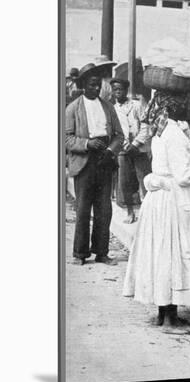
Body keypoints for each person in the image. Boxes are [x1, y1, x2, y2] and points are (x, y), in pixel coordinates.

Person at [122, 97, 190, 327]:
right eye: (185, 104)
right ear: (175, 107)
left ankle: (164, 312)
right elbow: (182, 175)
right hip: (172, 200)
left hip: (160, 199)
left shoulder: (162, 131)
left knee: (162, 253)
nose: (188, 107)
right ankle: (170, 318)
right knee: (172, 254)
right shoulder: (173, 135)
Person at [66, 62, 124, 265]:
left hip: (104, 160)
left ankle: (101, 252)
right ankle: (80, 254)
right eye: (92, 85)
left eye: (98, 85)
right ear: (83, 85)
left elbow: (119, 135)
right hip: (84, 162)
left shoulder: (107, 106)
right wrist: (86, 143)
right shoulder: (73, 108)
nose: (96, 88)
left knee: (104, 209)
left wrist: (110, 150)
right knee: (83, 209)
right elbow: (66, 139)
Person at [111, 78, 152, 224]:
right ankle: (130, 212)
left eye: (120, 89)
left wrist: (135, 144)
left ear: (126, 90)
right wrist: (122, 145)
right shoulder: (113, 109)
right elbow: (113, 131)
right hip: (123, 150)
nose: (117, 92)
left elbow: (145, 126)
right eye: (115, 89)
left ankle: (149, 213)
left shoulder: (136, 105)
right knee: (125, 182)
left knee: (145, 180)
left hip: (139, 148)